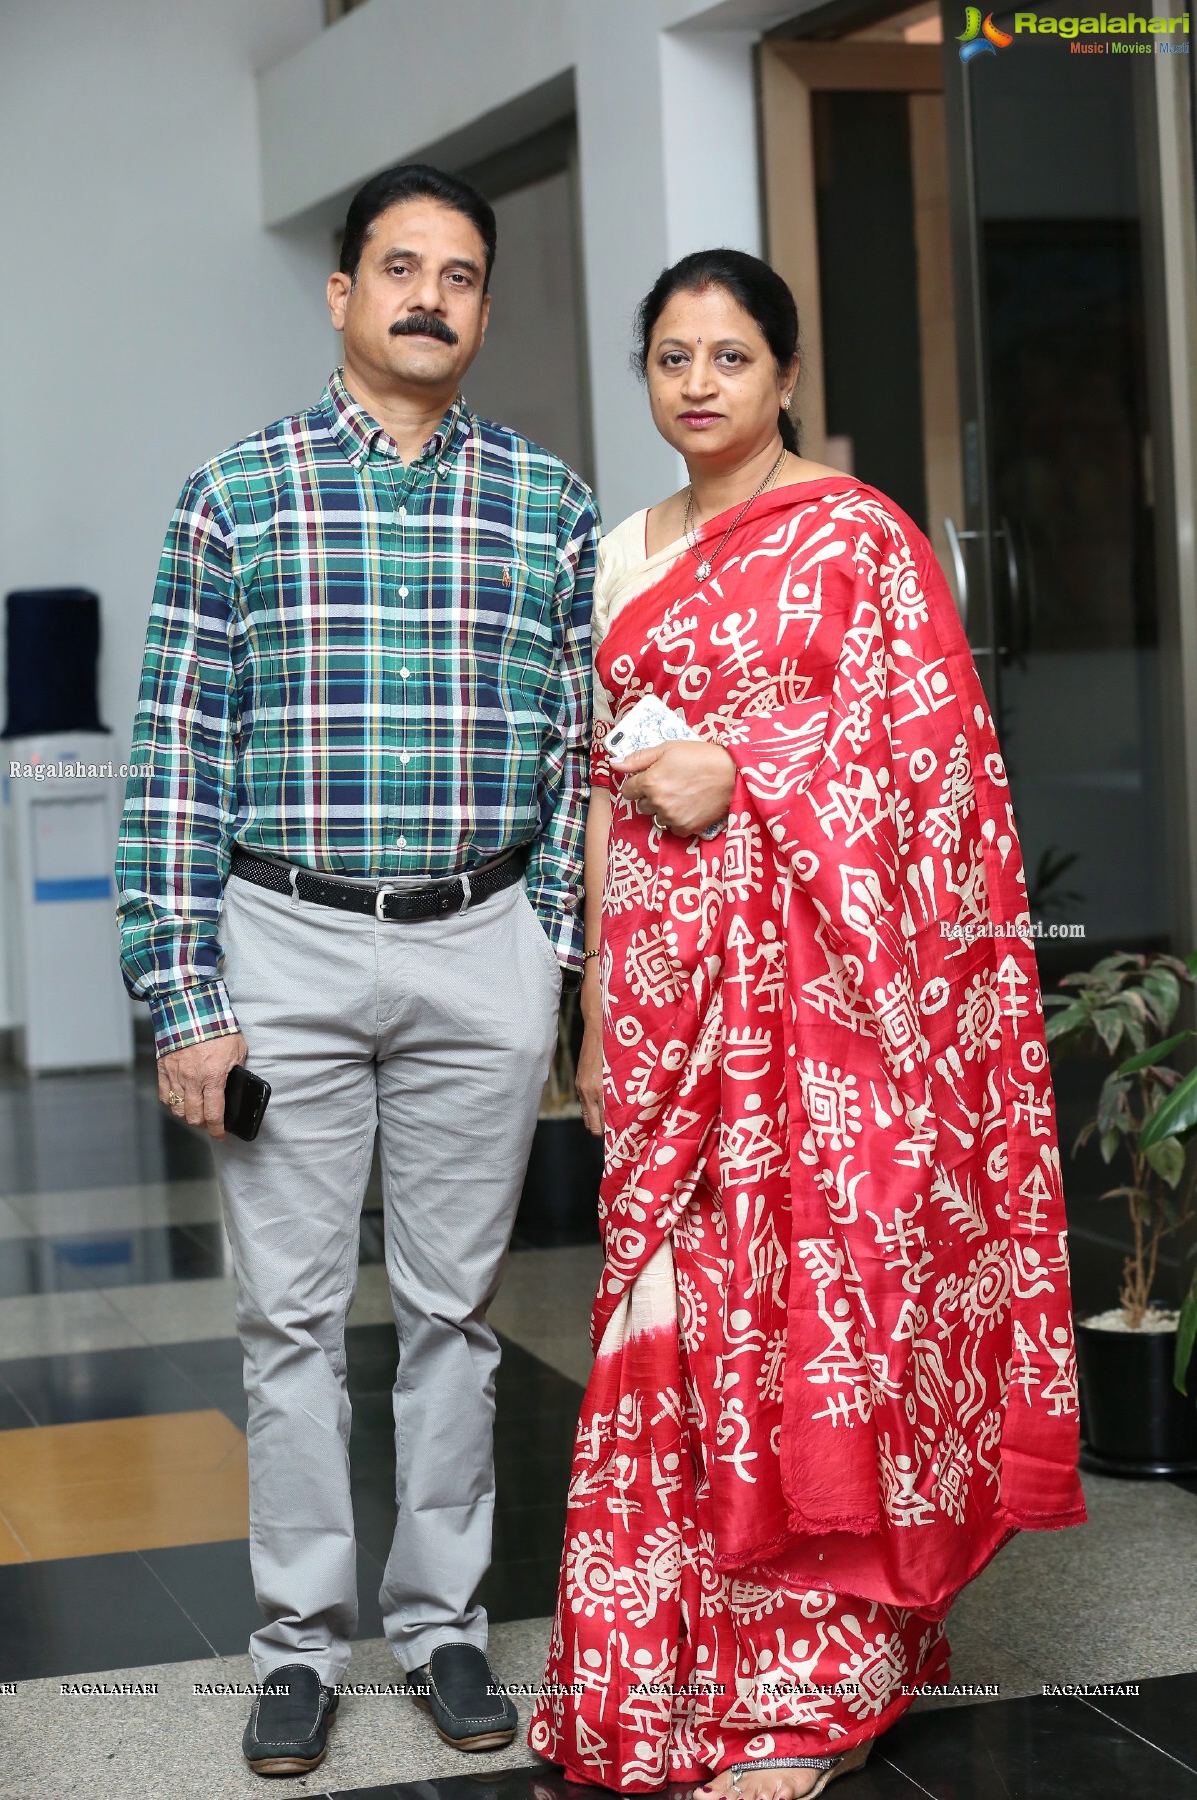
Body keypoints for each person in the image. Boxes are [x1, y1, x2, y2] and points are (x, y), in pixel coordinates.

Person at [529, 249, 1086, 1798]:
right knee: (666, 1315)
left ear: (785, 377)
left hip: (823, 1010)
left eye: (729, 357)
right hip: (657, 986)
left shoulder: (857, 541)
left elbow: (932, 773)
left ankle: (808, 1690)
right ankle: (662, 1666)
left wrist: (749, 775)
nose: (698, 384)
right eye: (671, 359)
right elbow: (598, 791)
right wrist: (590, 992)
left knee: (808, 1326)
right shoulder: (622, 556)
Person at [115, 162, 598, 1778]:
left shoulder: (548, 503)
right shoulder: (233, 494)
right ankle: (301, 1646)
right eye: (400, 267)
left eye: (460, 275)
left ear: (481, 306)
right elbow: (175, 757)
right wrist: (184, 997)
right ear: (341, 294)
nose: (429, 297)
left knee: (461, 1314)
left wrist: (559, 961)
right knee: (293, 1322)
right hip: (288, 944)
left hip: (481, 944)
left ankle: (447, 1629)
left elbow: (577, 757)